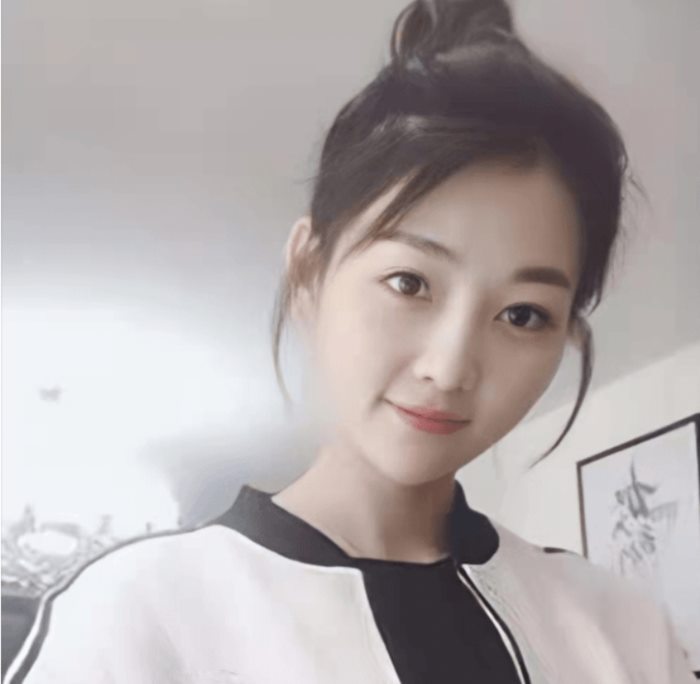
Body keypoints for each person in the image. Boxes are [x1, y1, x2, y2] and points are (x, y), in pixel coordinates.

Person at [5, 0, 696, 682]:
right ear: (310, 271)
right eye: (409, 282)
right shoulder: (142, 618)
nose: (450, 367)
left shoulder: (621, 631)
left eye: (522, 315)